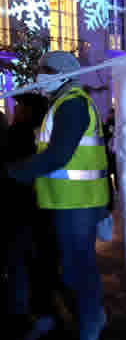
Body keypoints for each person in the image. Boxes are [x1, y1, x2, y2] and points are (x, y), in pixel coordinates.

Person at [6, 51, 110, 340]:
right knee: (72, 264)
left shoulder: (73, 104)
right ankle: (78, 316)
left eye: (44, 71)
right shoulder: (63, 104)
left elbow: (59, 155)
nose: (38, 77)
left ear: (59, 75)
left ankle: (91, 320)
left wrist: (15, 171)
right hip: (68, 202)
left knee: (79, 266)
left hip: (77, 203)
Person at [3, 93, 59, 340]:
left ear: (28, 111)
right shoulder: (44, 134)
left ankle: (23, 313)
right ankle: (40, 311)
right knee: (38, 263)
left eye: (20, 107)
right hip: (41, 207)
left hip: (20, 209)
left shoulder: (18, 134)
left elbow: (12, 171)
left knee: (21, 262)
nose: (15, 110)